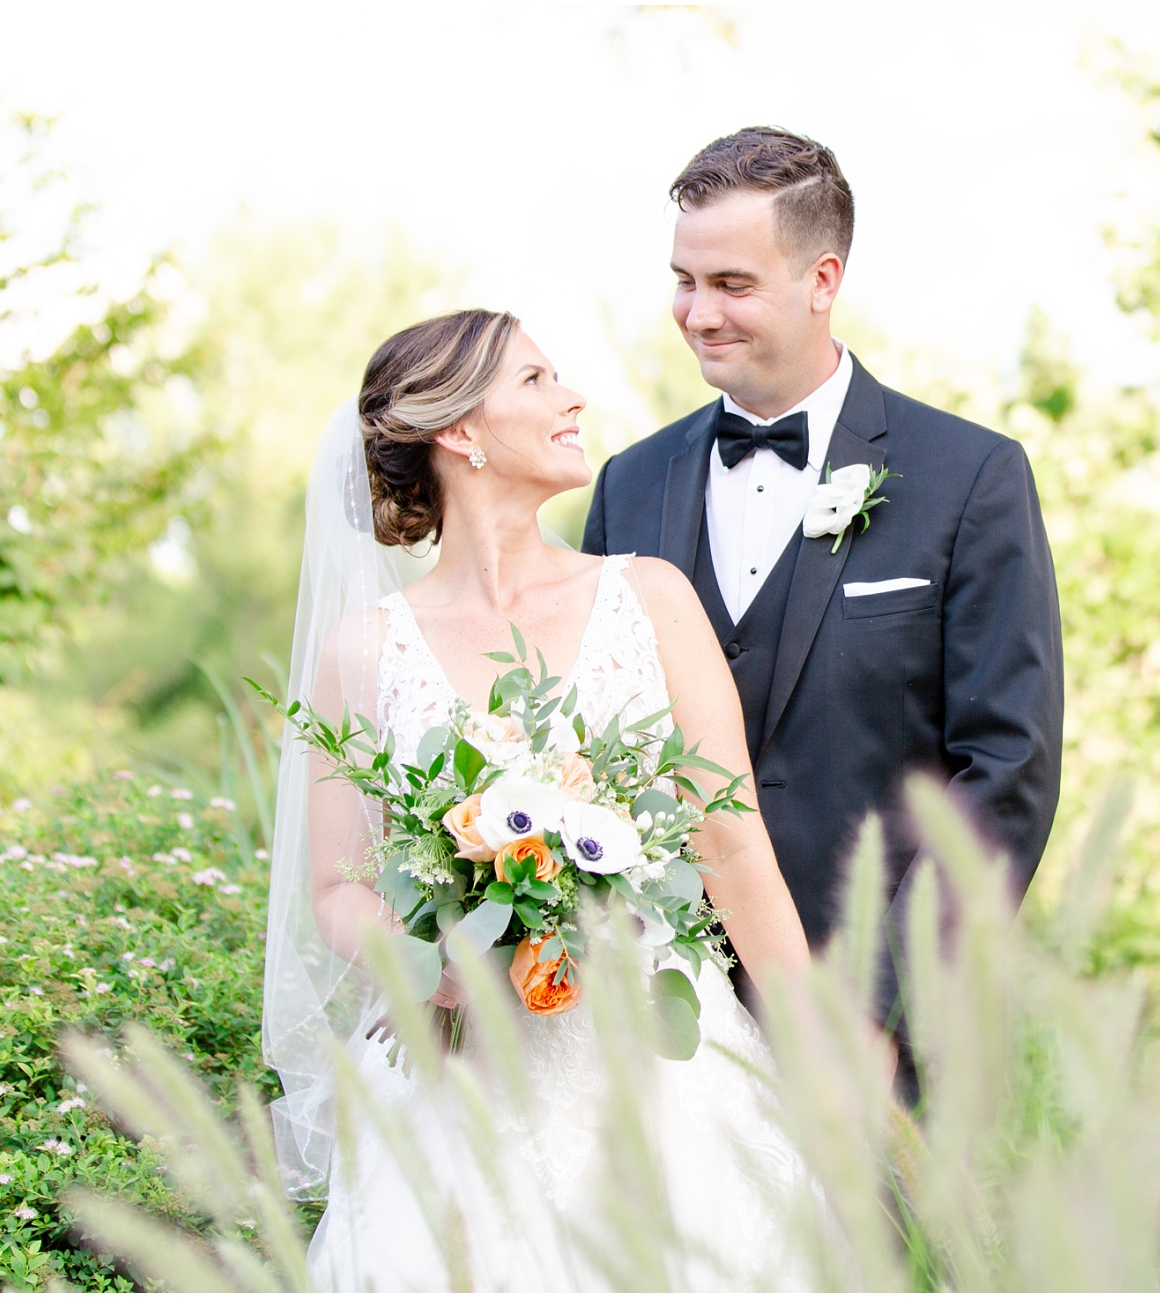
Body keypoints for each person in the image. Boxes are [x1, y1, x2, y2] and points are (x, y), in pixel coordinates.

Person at [263, 309, 818, 1289]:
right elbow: (337, 889)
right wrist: (429, 965)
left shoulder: (649, 600)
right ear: (460, 432)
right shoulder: (361, 653)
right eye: (535, 379)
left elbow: (732, 845)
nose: (572, 397)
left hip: (660, 1069)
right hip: (455, 1083)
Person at [582, 129, 1064, 1087]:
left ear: (822, 278)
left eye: (732, 284)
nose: (697, 314)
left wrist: (883, 1005)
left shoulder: (968, 477)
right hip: (650, 1024)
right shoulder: (628, 484)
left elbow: (1006, 768)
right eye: (684, 280)